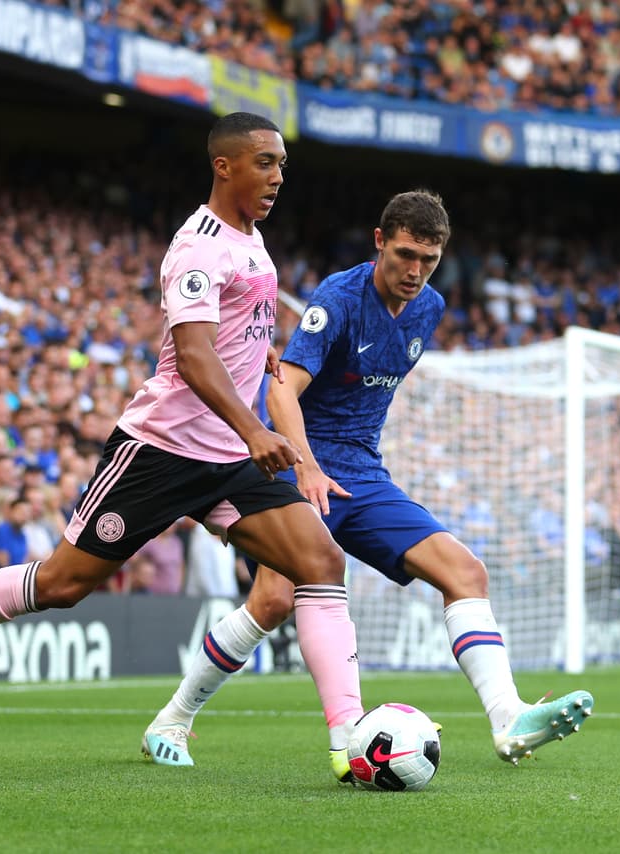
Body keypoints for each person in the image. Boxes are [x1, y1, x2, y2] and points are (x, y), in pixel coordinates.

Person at [0, 113, 365, 777]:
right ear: (224, 166)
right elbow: (194, 357)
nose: (278, 176)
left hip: (231, 460)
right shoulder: (197, 245)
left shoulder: (252, 240)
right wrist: (256, 428)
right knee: (63, 584)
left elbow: (226, 335)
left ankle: (346, 741)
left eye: (282, 163)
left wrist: (254, 348)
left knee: (320, 562)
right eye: (264, 162)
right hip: (164, 448)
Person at [144, 190, 592, 781]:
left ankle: (508, 718)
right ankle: (173, 719)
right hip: (298, 469)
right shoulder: (337, 297)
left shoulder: (429, 308)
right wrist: (306, 466)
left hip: (363, 474)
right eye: (405, 255)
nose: (414, 271)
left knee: (466, 573)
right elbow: (282, 392)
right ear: (380, 241)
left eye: (428, 261)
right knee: (274, 600)